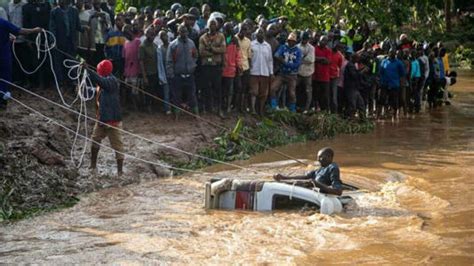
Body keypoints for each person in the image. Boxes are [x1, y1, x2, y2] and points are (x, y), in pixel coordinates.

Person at [87, 59, 124, 176]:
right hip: (102, 120)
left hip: (113, 122)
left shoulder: (112, 81)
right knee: (95, 140)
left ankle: (120, 171)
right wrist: (84, 90)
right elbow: (97, 90)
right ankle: (92, 166)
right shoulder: (104, 83)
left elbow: (100, 81)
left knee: (117, 146)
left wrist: (87, 70)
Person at [0, 17, 42, 110]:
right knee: (5, 78)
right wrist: (34, 30)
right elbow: (19, 31)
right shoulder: (3, 22)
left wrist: (7, 36)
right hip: (3, 56)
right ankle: (2, 101)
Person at [273, 147, 343, 196]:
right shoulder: (321, 169)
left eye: (320, 157)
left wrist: (316, 184)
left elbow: (338, 191)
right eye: (318, 157)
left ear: (329, 157)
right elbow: (306, 177)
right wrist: (284, 177)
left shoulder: (333, 168)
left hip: (324, 196)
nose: (318, 160)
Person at [166, 24, 199, 115]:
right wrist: (171, 75)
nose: (184, 33)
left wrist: (193, 65)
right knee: (177, 96)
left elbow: (195, 56)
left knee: (192, 95)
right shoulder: (173, 45)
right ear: (178, 32)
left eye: (185, 31)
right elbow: (169, 61)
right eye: (182, 31)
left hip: (190, 74)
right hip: (177, 75)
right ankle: (177, 114)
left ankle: (195, 114)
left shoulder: (191, 43)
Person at [199, 18, 226, 115]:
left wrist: (211, 49)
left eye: (214, 24)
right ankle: (206, 108)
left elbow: (223, 49)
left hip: (216, 66)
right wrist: (215, 52)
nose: (212, 26)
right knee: (205, 88)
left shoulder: (221, 36)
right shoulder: (202, 37)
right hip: (206, 66)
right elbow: (201, 52)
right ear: (207, 25)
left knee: (217, 88)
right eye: (210, 24)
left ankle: (218, 109)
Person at [269, 31, 302, 112]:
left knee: (292, 93)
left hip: (292, 75)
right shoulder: (283, 47)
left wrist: (284, 62)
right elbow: (276, 55)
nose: (291, 43)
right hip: (282, 73)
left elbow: (297, 64)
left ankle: (292, 110)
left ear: (295, 42)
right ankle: (273, 107)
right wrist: (282, 61)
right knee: (272, 88)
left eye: (293, 41)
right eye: (290, 41)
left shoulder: (298, 51)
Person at [249, 28, 273, 115]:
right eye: (259, 32)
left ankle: (261, 110)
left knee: (263, 93)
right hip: (254, 71)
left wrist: (271, 72)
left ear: (264, 34)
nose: (260, 34)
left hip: (265, 72)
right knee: (254, 91)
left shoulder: (268, 46)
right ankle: (253, 109)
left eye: (262, 33)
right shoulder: (252, 44)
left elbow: (270, 60)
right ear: (256, 34)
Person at [379, 48, 406, 119]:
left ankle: (394, 116)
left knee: (394, 101)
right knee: (382, 99)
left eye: (394, 53)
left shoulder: (399, 63)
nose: (392, 54)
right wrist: (380, 81)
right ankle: (379, 115)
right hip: (384, 84)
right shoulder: (384, 61)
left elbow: (402, 74)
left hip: (394, 84)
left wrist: (400, 84)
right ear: (388, 53)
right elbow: (380, 72)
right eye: (391, 52)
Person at [221, 22, 241, 115]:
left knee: (230, 89)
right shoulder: (222, 38)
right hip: (222, 68)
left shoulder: (235, 40)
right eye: (230, 28)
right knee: (222, 89)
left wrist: (239, 65)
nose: (232, 29)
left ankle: (228, 107)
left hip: (231, 68)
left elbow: (237, 54)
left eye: (232, 27)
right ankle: (221, 106)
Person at [139, 27, 158, 112]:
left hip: (155, 71)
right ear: (146, 35)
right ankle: (148, 107)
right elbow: (141, 62)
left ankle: (154, 106)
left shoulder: (155, 45)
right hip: (148, 73)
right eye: (151, 34)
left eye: (153, 34)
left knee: (154, 90)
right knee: (148, 91)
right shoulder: (142, 47)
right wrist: (144, 76)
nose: (152, 36)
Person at [234, 23, 252, 113]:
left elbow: (249, 56)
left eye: (245, 30)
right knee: (237, 87)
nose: (243, 31)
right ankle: (235, 107)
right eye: (241, 29)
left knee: (244, 88)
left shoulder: (248, 41)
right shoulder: (233, 38)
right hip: (235, 66)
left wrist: (249, 68)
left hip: (245, 67)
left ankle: (242, 108)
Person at [296, 31, 315, 112]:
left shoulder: (311, 48)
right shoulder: (296, 47)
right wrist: (302, 59)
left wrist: (300, 59)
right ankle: (296, 106)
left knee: (308, 91)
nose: (304, 40)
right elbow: (296, 59)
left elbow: (310, 60)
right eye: (303, 38)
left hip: (308, 73)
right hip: (298, 72)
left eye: (306, 39)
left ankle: (307, 108)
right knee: (295, 89)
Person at [313, 35, 331, 111]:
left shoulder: (328, 50)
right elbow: (312, 58)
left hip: (325, 77)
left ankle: (325, 111)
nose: (323, 42)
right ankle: (315, 108)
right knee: (315, 94)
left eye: (325, 41)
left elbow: (328, 61)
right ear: (319, 40)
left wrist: (318, 59)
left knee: (325, 96)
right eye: (322, 40)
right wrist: (322, 58)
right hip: (315, 76)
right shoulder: (314, 48)